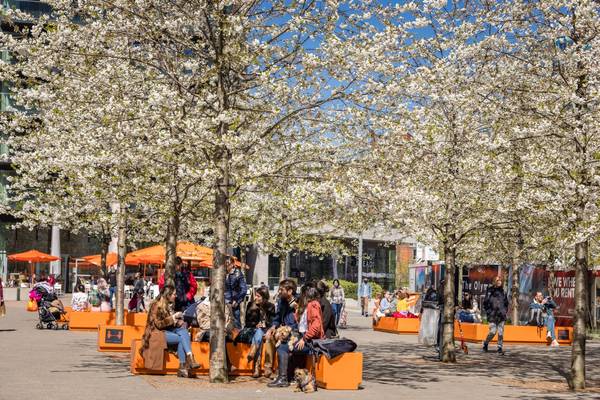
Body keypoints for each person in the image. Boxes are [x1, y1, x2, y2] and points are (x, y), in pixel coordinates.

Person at [140, 284, 200, 378]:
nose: (175, 296)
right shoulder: (156, 305)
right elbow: (159, 325)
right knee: (181, 339)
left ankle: (189, 359)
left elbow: (168, 323)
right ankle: (184, 366)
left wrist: (178, 322)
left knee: (183, 332)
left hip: (164, 331)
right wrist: (173, 317)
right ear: (168, 295)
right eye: (174, 294)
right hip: (154, 333)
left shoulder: (168, 305)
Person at [265, 279, 298, 387]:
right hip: (282, 329)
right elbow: (277, 317)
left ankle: (283, 377)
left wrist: (287, 331)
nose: (279, 291)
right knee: (268, 337)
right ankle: (269, 369)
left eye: (282, 289)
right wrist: (273, 327)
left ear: (290, 291)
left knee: (282, 344)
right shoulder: (281, 301)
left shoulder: (299, 301)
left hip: (294, 332)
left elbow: (300, 323)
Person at [239, 286, 276, 378]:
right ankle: (263, 368)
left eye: (258, 296)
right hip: (252, 330)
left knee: (261, 334)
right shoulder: (251, 304)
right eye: (256, 295)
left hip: (266, 330)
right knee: (258, 333)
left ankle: (256, 367)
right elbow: (247, 322)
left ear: (264, 297)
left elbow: (272, 322)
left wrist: (265, 325)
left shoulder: (271, 307)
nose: (256, 298)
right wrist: (255, 324)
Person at [482, 276, 509, 354]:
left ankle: (499, 347)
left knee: (500, 333)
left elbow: (506, 303)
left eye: (500, 280)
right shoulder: (490, 291)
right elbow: (485, 303)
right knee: (493, 332)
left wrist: (504, 311)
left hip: (501, 315)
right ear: (494, 281)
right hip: (492, 315)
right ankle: (486, 343)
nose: (499, 281)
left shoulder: (503, 291)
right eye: (497, 280)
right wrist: (489, 312)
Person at [225, 258, 248, 329]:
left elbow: (244, 289)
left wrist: (237, 300)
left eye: (227, 264)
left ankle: (237, 337)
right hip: (223, 302)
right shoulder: (222, 273)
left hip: (233, 303)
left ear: (232, 264)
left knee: (236, 323)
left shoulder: (238, 274)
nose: (226, 266)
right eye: (225, 264)